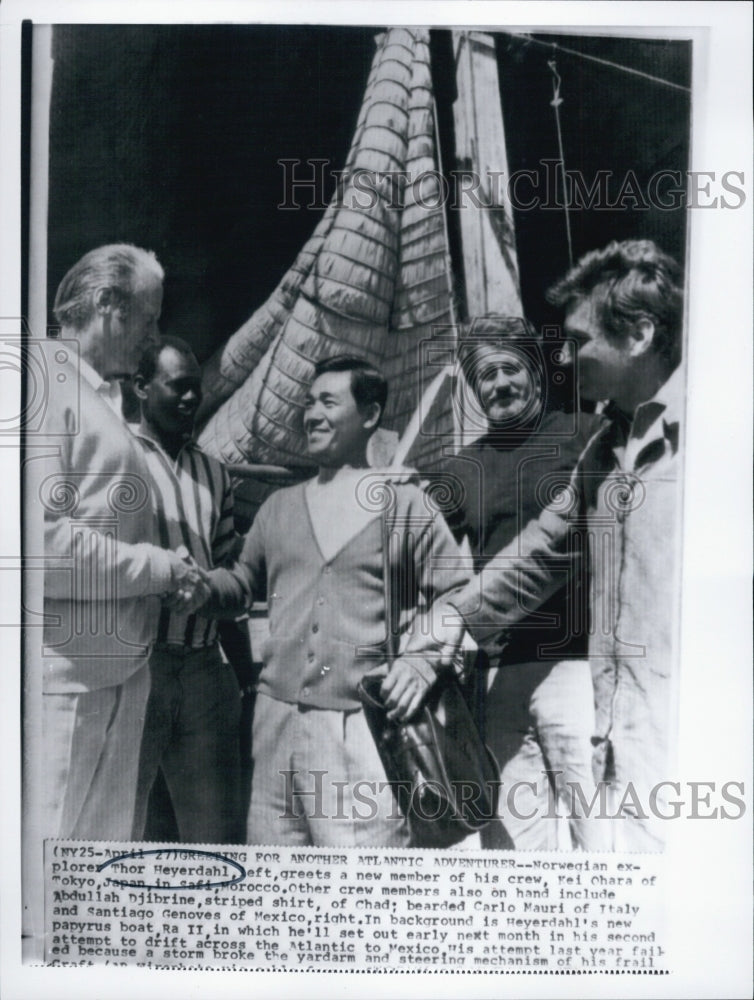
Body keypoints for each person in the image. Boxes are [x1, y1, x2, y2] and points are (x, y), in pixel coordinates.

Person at [421, 240, 684, 851]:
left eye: (579, 341)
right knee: (534, 847)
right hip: (542, 683)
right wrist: (441, 623)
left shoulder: (690, 428)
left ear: (639, 334)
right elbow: (543, 550)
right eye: (485, 373)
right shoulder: (604, 448)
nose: (570, 359)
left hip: (613, 689)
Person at [202, 355, 469, 847]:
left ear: (369, 416)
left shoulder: (404, 502)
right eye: (308, 402)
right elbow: (241, 583)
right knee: (275, 884)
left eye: (328, 401)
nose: (312, 414)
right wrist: (202, 587)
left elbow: (456, 590)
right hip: (274, 723)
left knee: (362, 883)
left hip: (359, 729)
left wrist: (422, 660)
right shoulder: (278, 506)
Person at [36, 244, 209, 842]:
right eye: (149, 316)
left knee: (89, 891)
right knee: (44, 894)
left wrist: (168, 570)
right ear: (108, 303)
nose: (155, 334)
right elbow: (42, 551)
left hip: (111, 680)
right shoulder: (41, 387)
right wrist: (158, 569)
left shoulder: (95, 397)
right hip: (64, 692)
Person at [435, 315, 605, 850]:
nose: (499, 385)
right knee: (512, 847)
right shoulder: (462, 469)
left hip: (576, 667)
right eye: (485, 376)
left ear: (534, 370)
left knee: (599, 834)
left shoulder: (586, 435)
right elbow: (415, 552)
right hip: (498, 675)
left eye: (510, 368)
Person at [130, 337, 244, 842]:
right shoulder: (119, 459)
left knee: (213, 833)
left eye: (195, 389)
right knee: (124, 827)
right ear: (140, 387)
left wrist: (237, 677)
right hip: (138, 666)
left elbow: (228, 571)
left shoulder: (216, 473)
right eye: (177, 387)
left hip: (203, 668)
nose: (190, 399)